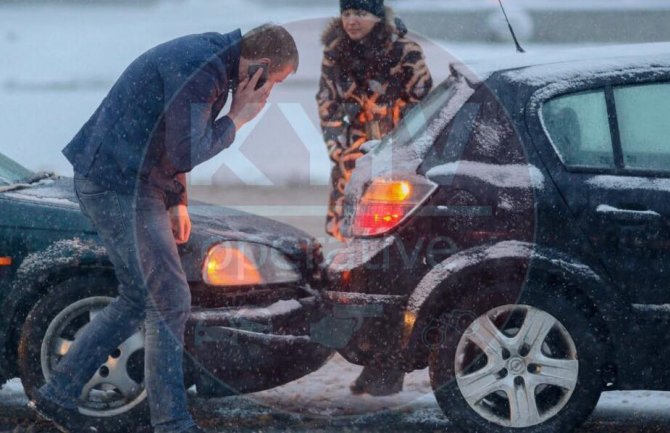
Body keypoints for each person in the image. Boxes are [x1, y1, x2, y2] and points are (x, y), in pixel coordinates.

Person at [28, 24, 299, 433]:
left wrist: (177, 202)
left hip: (130, 181)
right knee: (170, 299)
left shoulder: (213, 65)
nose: (267, 94)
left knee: (140, 296)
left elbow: (170, 140)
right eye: (272, 83)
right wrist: (237, 119)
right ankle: (171, 422)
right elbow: (187, 149)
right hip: (116, 184)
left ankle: (58, 394)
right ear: (259, 69)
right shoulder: (201, 70)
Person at [316, 0, 433, 396]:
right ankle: (373, 360)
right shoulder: (334, 52)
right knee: (356, 275)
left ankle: (390, 363)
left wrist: (390, 156)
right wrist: (349, 154)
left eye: (362, 13)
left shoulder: (405, 53)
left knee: (392, 270)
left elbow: (426, 113)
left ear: (377, 15)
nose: (353, 20)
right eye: (348, 12)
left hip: (394, 179)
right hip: (352, 176)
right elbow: (328, 109)